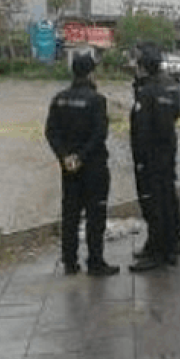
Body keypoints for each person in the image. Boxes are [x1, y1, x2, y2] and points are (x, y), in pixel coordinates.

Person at [44, 54, 120, 277]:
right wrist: (81, 156)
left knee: (70, 214)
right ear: (91, 73)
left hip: (69, 167)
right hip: (93, 166)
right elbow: (99, 134)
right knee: (95, 215)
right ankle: (95, 262)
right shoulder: (97, 100)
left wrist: (65, 156)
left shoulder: (59, 99)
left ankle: (70, 261)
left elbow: (51, 132)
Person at [129, 43, 180, 272]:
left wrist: (141, 159)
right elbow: (173, 117)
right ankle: (165, 246)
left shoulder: (147, 93)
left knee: (154, 203)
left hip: (152, 158)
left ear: (143, 67)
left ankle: (158, 252)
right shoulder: (165, 89)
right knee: (166, 199)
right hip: (165, 154)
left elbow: (143, 130)